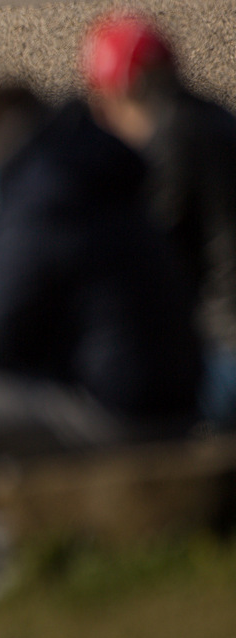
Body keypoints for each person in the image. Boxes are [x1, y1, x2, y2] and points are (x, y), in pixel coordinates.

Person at [0, 80, 202, 599]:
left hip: (124, 412)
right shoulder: (99, 170)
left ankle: (14, 562)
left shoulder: (43, 197)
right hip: (176, 389)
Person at [82, 9, 236, 429]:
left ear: (124, 90)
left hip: (224, 347)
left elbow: (147, 252)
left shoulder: (173, 137)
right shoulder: (211, 117)